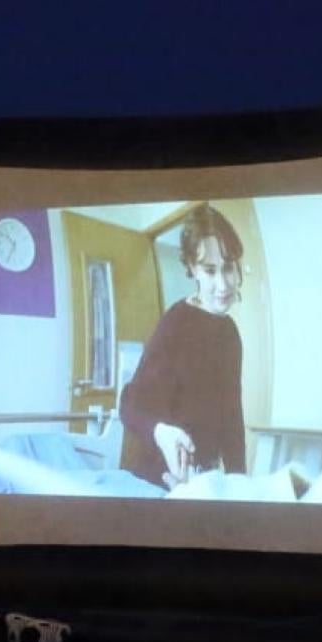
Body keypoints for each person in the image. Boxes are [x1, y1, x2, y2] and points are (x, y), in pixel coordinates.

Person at [118, 203, 249, 490]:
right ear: (193, 268)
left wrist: (240, 484)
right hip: (158, 479)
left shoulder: (230, 333)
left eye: (229, 268)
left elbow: (232, 417)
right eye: (210, 270)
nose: (223, 284)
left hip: (203, 482)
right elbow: (129, 405)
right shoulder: (175, 324)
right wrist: (161, 432)